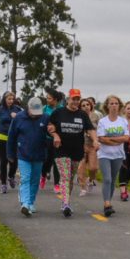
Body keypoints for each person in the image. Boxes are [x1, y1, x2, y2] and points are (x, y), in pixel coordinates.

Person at [47, 88, 98, 217]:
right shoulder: (58, 113)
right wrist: (55, 135)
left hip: (76, 151)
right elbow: (49, 126)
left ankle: (66, 201)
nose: (75, 101)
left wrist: (95, 141)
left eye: (77, 99)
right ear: (68, 99)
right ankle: (65, 204)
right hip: (61, 150)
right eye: (73, 99)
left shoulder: (82, 115)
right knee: (65, 176)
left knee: (69, 178)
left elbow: (90, 129)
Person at [7, 96, 51, 217]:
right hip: (23, 154)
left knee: (35, 180)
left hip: (39, 154)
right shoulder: (19, 118)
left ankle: (31, 202)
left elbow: (50, 133)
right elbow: (11, 136)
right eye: (33, 113)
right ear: (28, 108)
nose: (35, 115)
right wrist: (10, 154)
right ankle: (25, 203)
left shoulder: (45, 118)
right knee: (25, 178)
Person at [96, 95, 130, 217]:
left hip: (118, 155)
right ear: (107, 106)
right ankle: (107, 204)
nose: (114, 106)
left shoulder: (123, 121)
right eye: (111, 104)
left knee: (112, 180)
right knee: (107, 179)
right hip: (104, 154)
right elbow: (101, 138)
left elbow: (126, 138)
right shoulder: (102, 121)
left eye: (116, 103)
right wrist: (116, 140)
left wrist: (110, 138)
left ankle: (108, 203)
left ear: (119, 106)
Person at [0, 92, 22, 193]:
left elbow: (23, 122)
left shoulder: (18, 110)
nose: (11, 101)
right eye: (9, 99)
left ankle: (11, 176)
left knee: (14, 161)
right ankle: (3, 184)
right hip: (1, 137)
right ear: (4, 99)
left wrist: (17, 116)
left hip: (14, 139)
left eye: (12, 99)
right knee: (4, 161)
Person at [77, 97, 102, 196]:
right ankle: (83, 188)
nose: (86, 107)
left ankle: (91, 180)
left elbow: (101, 128)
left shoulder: (96, 116)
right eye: (83, 105)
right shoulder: (78, 117)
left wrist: (95, 136)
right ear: (80, 107)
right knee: (81, 168)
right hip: (81, 145)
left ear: (90, 106)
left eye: (87, 105)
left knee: (93, 168)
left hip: (92, 145)